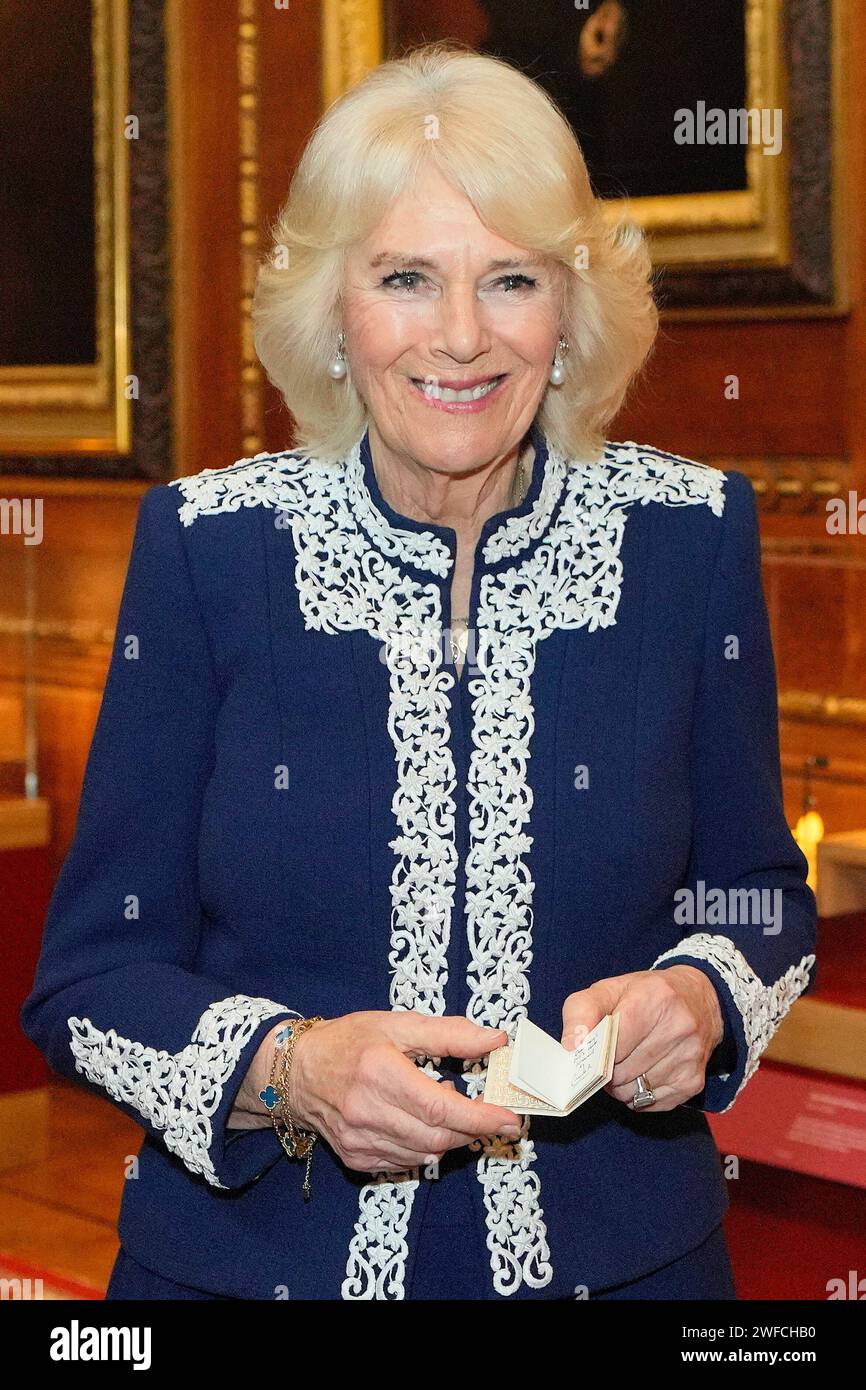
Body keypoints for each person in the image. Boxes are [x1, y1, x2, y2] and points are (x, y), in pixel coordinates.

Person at [22, 42, 817, 1300]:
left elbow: (759, 897)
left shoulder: (688, 534)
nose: (459, 337)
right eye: (404, 276)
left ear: (567, 315)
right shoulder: (206, 550)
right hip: (249, 1270)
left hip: (627, 1268)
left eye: (509, 278)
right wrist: (287, 1070)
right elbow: (88, 980)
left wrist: (702, 995)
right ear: (335, 314)